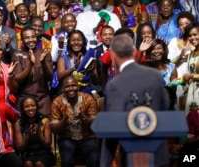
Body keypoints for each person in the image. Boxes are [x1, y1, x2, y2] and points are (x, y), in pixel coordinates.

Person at [100, 34, 170, 167]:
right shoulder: (154, 75)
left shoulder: (115, 84)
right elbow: (165, 105)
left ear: (113, 57)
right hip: (157, 153)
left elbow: (113, 126)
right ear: (134, 52)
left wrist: (105, 162)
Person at [50, 76, 99, 167]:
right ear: (63, 89)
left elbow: (95, 125)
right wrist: (65, 118)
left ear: (78, 87)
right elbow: (54, 129)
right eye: (67, 86)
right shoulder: (57, 102)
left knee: (94, 158)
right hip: (67, 138)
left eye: (73, 85)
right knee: (67, 160)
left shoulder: (88, 99)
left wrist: (82, 116)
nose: (71, 88)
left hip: (87, 137)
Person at [9, 27, 53, 115]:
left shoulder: (44, 52)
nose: (30, 40)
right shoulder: (17, 54)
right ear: (21, 40)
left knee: (45, 126)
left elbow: (49, 77)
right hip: (25, 99)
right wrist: (31, 65)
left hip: (43, 99)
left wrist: (43, 62)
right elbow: (17, 79)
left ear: (36, 37)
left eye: (33, 37)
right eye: (27, 38)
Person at [20, 96, 56, 167]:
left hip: (44, 153)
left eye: (33, 105)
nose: (30, 108)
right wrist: (28, 136)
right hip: (28, 154)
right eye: (27, 106)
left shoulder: (45, 120)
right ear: (23, 109)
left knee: (39, 163)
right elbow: (20, 148)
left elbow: (47, 145)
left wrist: (39, 134)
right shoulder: (20, 123)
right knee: (28, 164)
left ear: (37, 107)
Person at [183, 23, 199, 114]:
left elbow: (190, 75)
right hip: (191, 94)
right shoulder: (191, 53)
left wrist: (192, 76)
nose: (192, 38)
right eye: (189, 35)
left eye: (195, 34)